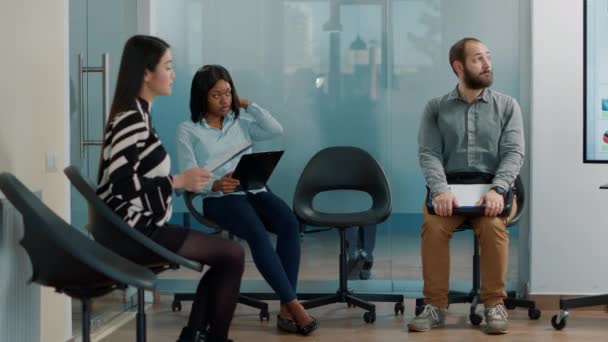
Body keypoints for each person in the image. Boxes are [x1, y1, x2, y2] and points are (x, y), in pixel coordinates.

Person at [97, 35, 244, 342]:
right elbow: (122, 186)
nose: (173, 73)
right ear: (146, 73)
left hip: (140, 227)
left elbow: (135, 181)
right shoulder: (131, 121)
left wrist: (185, 180)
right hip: (135, 232)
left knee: (227, 255)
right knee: (232, 254)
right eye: (167, 66)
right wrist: (178, 182)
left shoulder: (139, 116)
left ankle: (193, 335)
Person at [176, 65, 319, 335]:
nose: (224, 100)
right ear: (201, 96)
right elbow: (188, 173)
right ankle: (293, 305)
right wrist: (216, 183)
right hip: (220, 196)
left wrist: (248, 104)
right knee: (256, 232)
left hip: (253, 189)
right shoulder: (188, 130)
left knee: (289, 223)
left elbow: (275, 129)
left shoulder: (241, 122)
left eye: (228, 93)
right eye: (217, 95)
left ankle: (288, 306)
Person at [408, 37, 524, 335]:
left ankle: (494, 303)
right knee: (433, 228)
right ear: (458, 67)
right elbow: (429, 153)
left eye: (488, 56)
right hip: (450, 191)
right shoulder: (435, 108)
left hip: (494, 190)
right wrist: (439, 189)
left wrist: (498, 189)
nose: (487, 64)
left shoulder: (507, 106)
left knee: (493, 228)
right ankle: (434, 305)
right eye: (478, 59)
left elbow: (514, 153)